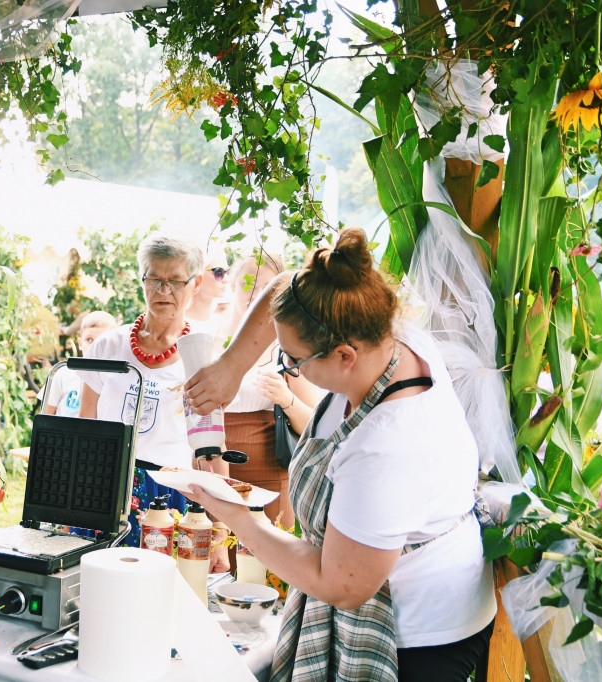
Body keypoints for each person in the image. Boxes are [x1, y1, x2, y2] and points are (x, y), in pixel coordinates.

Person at [184, 228, 496, 681]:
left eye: (292, 360)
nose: (288, 368)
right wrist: (231, 367)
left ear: (344, 355)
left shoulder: (386, 447)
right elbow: (284, 285)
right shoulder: (378, 329)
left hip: (419, 633)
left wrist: (235, 515)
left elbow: (342, 585)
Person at [79, 233, 229, 570]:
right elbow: (84, 427)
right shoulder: (107, 346)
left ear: (196, 283)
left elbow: (211, 449)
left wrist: (219, 528)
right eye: (154, 279)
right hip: (104, 488)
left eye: (175, 281)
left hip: (170, 499)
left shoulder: (201, 357)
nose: (163, 292)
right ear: (141, 279)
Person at [221, 253, 319, 527]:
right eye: (247, 284)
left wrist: (285, 398)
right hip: (211, 466)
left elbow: (312, 423)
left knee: (265, 563)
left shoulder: (286, 344)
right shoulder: (208, 340)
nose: (255, 294)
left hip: (267, 467)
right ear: (231, 284)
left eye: (264, 287)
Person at [41, 310, 117, 417]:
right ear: (80, 343)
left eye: (102, 341)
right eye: (89, 340)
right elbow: (45, 416)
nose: (95, 347)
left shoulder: (117, 379)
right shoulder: (64, 374)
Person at [185, 250, 229, 337]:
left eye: (227, 272)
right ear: (197, 277)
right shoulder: (176, 324)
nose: (226, 279)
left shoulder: (222, 324)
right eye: (218, 272)